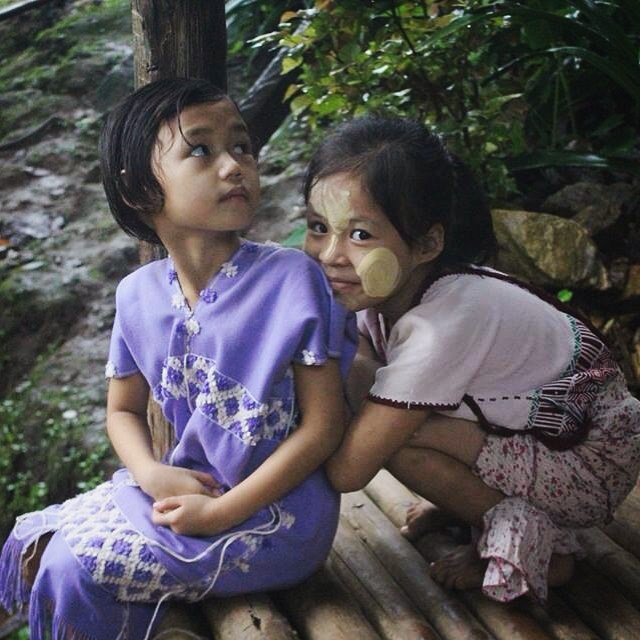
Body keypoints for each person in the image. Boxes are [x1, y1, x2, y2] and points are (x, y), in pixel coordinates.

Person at [0, 78, 356, 640]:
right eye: (200, 149)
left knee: (70, 569)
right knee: (32, 545)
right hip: (183, 493)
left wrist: (222, 512)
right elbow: (121, 411)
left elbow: (324, 426)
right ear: (141, 188)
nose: (234, 165)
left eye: (241, 146)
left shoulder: (292, 279)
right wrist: (152, 473)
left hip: (274, 518)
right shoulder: (136, 294)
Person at [302, 115, 640, 603]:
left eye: (359, 235)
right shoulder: (398, 290)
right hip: (543, 438)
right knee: (379, 400)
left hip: (589, 466)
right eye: (318, 227)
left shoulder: (443, 325)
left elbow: (348, 472)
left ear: (427, 244)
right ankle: (472, 504)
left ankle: (536, 546)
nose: (329, 254)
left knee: (396, 439)